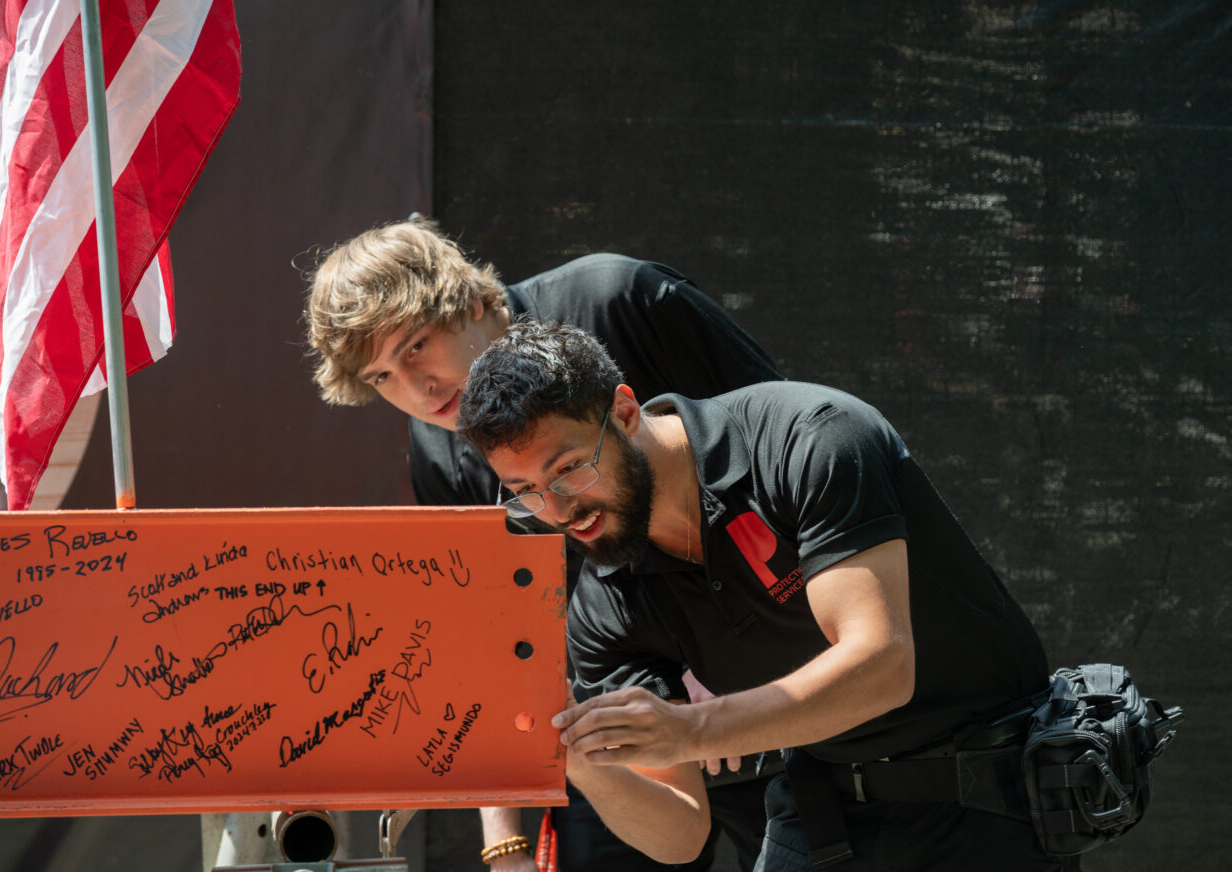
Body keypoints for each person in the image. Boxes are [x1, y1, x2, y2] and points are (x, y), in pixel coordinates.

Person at [455, 320, 1077, 872]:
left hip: (985, 789)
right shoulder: (603, 601)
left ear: (624, 412)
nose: (560, 510)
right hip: (823, 803)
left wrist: (693, 730)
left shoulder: (812, 437)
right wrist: (580, 758)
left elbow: (883, 664)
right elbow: (679, 833)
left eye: (568, 469)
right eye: (525, 491)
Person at [303, 218, 782, 872]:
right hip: (605, 723)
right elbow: (485, 634)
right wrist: (504, 846)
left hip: (768, 684)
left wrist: (729, 649)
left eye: (416, 346)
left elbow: (777, 463)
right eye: (383, 377)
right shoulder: (439, 448)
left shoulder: (619, 299)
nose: (417, 389)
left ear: (471, 300)